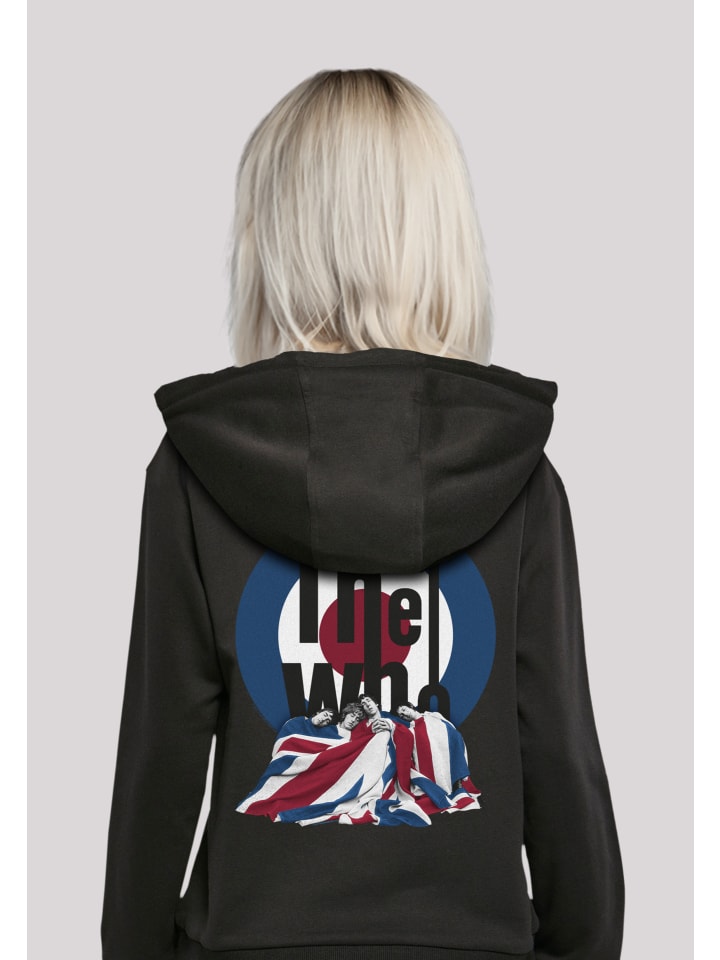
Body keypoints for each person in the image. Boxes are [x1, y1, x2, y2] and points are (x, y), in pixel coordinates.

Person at [101, 68, 625, 960]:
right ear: (443, 239)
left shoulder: (196, 469)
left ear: (268, 241)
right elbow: (560, 760)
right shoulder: (519, 476)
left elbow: (161, 761)